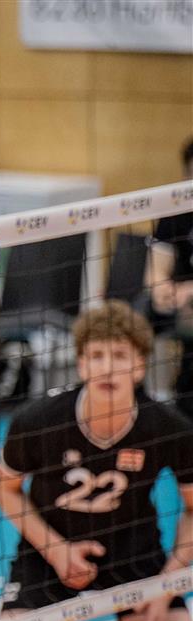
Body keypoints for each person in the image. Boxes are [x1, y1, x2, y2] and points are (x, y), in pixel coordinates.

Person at [0, 300, 193, 621]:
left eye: (119, 356)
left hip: (137, 560)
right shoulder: (39, 420)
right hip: (47, 556)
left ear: (139, 364)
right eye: (96, 356)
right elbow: (2, 488)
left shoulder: (168, 428)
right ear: (81, 364)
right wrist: (56, 550)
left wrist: (169, 582)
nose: (107, 367)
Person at [146, 136, 193, 421]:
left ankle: (184, 400)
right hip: (178, 299)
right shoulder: (176, 208)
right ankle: (137, 401)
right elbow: (156, 268)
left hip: (189, 300)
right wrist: (160, 287)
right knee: (134, 315)